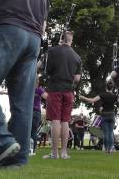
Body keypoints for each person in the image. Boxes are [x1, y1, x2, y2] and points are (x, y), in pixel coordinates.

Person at [0, 0, 49, 170]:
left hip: (6, 26)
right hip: (34, 38)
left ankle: (2, 141)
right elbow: (44, 25)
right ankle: (17, 160)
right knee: (23, 104)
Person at [44, 31, 82, 159]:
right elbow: (77, 78)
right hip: (68, 91)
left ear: (61, 39)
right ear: (71, 40)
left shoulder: (52, 51)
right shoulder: (77, 57)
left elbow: (43, 68)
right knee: (65, 121)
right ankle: (64, 153)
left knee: (55, 120)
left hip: (55, 89)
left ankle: (54, 153)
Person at [80, 81, 119, 153]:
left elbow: (92, 100)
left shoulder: (102, 94)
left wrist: (83, 98)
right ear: (112, 88)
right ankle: (111, 148)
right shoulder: (115, 96)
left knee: (106, 133)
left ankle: (107, 149)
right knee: (110, 132)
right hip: (112, 114)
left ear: (106, 87)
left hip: (104, 115)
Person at [31, 77, 48, 155]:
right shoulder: (38, 90)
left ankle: (30, 149)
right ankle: (32, 150)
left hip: (32, 112)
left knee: (30, 131)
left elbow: (47, 97)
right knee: (33, 132)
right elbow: (47, 97)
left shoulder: (33, 89)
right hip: (34, 112)